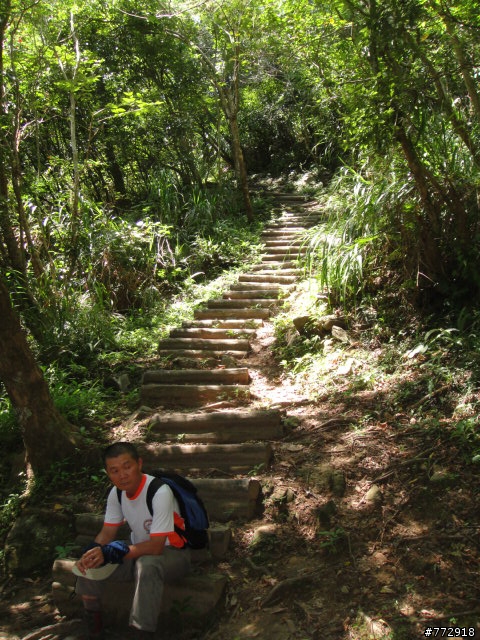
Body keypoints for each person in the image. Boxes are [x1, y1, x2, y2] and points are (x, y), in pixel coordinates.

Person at [73, 442, 192, 640]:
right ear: (108, 474)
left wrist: (111, 552)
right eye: (115, 471)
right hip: (137, 552)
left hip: (173, 554)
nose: (122, 475)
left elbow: (156, 547)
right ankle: (94, 628)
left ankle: (141, 632)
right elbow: (106, 534)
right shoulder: (117, 493)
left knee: (147, 564)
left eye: (127, 467)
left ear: (139, 464)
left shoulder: (159, 491)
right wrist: (92, 552)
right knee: (91, 559)